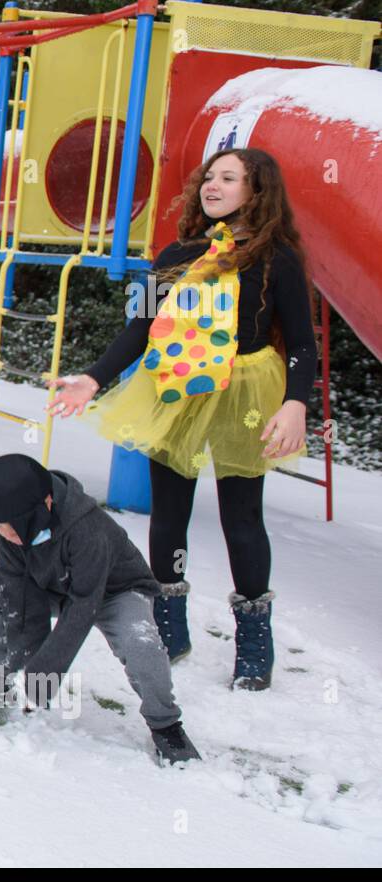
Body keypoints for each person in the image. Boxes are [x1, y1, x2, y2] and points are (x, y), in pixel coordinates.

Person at [48, 148, 316, 691]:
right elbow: (140, 328)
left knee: (242, 518)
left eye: (229, 178)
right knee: (169, 512)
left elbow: (303, 345)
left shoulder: (276, 257)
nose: (212, 185)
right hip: (179, 387)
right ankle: (170, 623)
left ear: (257, 190)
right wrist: (95, 378)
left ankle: (254, 636)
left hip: (246, 391)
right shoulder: (175, 252)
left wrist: (295, 402)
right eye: (208, 177)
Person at [0, 454, 200, 765]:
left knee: (141, 643)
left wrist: (44, 675)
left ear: (44, 503)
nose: (7, 534)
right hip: (55, 588)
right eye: (0, 526)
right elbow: (23, 607)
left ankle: (166, 724)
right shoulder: (9, 540)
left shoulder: (88, 530)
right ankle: (2, 681)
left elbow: (83, 608)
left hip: (116, 592)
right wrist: (22, 669)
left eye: (14, 525)